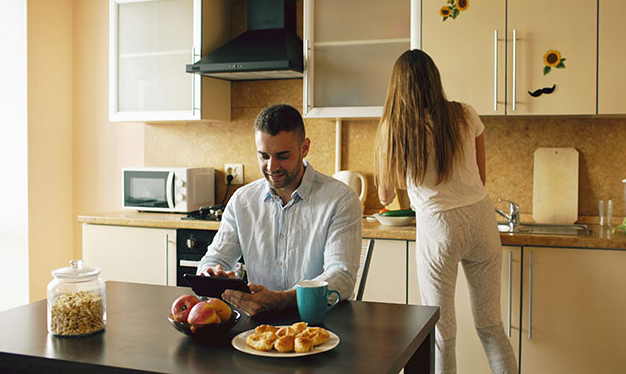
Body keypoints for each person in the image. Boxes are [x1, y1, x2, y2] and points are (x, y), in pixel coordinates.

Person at [375, 50, 518, 374]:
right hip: (482, 220)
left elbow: (385, 194)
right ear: (434, 79)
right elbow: (481, 177)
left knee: (442, 331)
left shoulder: (392, 129)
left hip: (439, 227)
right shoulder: (465, 114)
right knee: (491, 325)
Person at [197, 104, 362, 316]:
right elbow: (214, 259)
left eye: (282, 156)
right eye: (264, 156)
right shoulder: (242, 200)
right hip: (258, 328)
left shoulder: (340, 199)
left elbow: (342, 276)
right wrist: (213, 274)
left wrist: (282, 299)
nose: (272, 167)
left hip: (321, 324)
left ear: (304, 148)